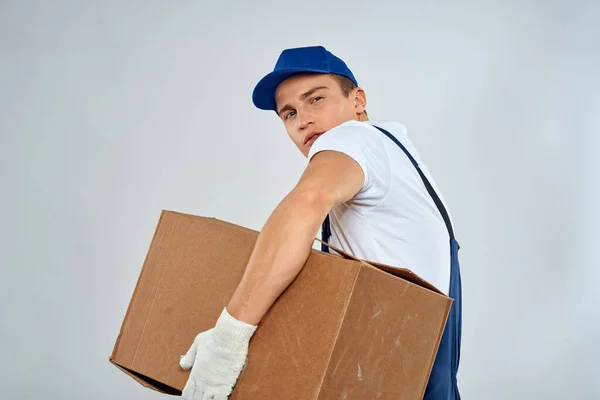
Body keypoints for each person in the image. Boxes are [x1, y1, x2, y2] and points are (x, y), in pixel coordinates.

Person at [179, 45, 462, 400]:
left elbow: (306, 202)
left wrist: (229, 336)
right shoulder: (391, 155)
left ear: (357, 100)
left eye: (315, 99)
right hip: (410, 372)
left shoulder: (353, 138)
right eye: (289, 113)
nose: (302, 120)